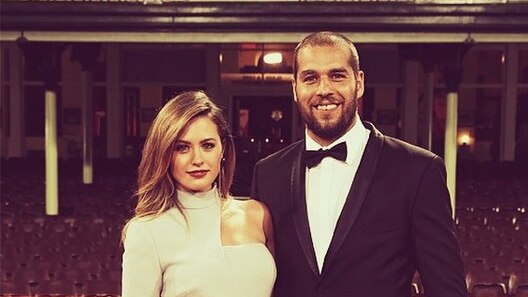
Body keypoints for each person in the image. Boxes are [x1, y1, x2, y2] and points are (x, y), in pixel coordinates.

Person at [251, 32, 467, 296]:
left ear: (360, 83)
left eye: (337, 75)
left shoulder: (417, 170)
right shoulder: (268, 173)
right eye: (310, 78)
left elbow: (446, 287)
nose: (324, 89)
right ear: (295, 89)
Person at [122, 90, 276, 297]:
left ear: (223, 150)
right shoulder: (146, 231)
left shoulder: (257, 214)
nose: (197, 159)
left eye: (207, 145)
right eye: (182, 148)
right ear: (165, 154)